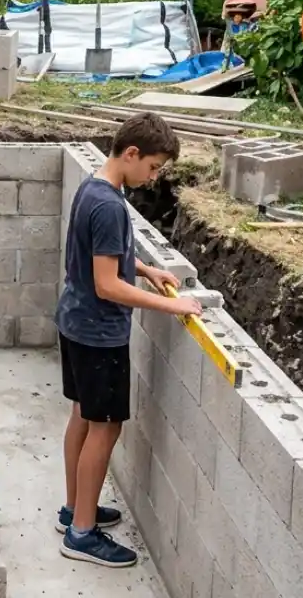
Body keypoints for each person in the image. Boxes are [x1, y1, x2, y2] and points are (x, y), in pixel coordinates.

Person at [55, 112, 203, 567]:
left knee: (82, 414)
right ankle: (82, 533)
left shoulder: (95, 188)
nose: (153, 177)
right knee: (106, 427)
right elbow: (107, 285)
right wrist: (173, 305)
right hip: (99, 334)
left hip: (75, 323)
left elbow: (103, 257)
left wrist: (143, 267)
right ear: (132, 153)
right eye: (154, 167)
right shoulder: (110, 204)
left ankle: (73, 508)